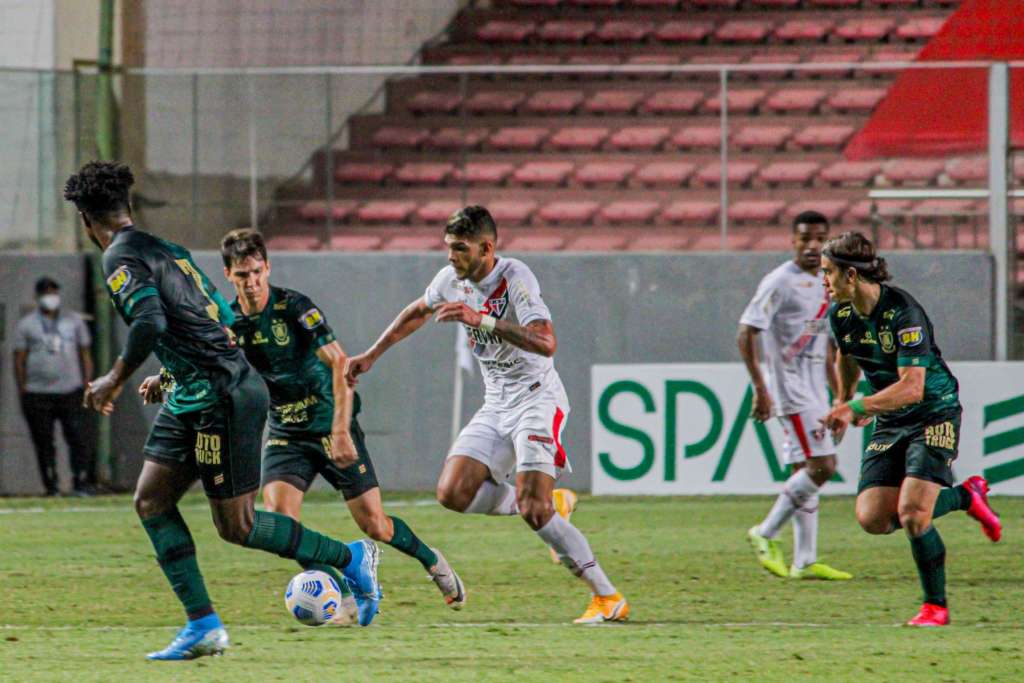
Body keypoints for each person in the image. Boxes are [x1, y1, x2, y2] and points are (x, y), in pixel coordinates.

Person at [63, 161, 380, 660]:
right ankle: (203, 625)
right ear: (128, 207)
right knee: (150, 500)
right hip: (194, 391)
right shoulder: (167, 250)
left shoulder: (119, 259)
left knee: (239, 526)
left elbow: (147, 321)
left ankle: (350, 557)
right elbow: (224, 318)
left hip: (221, 395)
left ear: (84, 220)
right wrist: (175, 373)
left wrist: (112, 378)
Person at [346, 205, 628, 624]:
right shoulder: (450, 281)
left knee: (535, 512)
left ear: (486, 248)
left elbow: (546, 343)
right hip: (496, 404)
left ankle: (607, 598)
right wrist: (373, 354)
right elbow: (417, 311)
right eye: (448, 248)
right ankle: (552, 505)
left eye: (459, 249)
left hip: (537, 399)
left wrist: (485, 320)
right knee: (453, 493)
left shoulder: (516, 279)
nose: (450, 257)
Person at [220, 229, 463, 613]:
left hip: (330, 423)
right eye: (241, 275)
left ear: (267, 268)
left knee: (375, 525)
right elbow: (207, 361)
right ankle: (345, 594)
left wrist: (340, 429)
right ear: (227, 275)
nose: (250, 282)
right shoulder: (228, 319)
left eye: (255, 272)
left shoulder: (294, 307)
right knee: (283, 526)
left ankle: (432, 561)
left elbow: (339, 362)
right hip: (285, 430)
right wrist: (162, 379)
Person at [819, 231, 1002, 627]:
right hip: (892, 417)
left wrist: (858, 406)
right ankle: (966, 496)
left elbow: (913, 386)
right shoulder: (841, 313)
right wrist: (845, 397)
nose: (824, 281)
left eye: (828, 272)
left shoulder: (904, 312)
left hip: (933, 411)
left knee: (914, 515)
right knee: (873, 518)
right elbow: (847, 354)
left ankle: (935, 607)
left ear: (851, 275)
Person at [739, 212, 852, 581]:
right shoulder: (779, 282)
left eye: (820, 238)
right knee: (824, 467)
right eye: (805, 238)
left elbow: (826, 345)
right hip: (789, 390)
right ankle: (765, 532)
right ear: (793, 241)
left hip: (814, 388)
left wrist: (840, 398)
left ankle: (804, 560)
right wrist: (761, 388)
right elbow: (746, 333)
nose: (813, 246)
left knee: (805, 472)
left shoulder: (827, 282)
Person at [13, 276, 96, 496]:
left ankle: (80, 482)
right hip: (38, 392)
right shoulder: (27, 325)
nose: (51, 297)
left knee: (77, 438)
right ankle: (52, 486)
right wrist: (23, 388)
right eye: (47, 293)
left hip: (70, 390)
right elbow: (19, 359)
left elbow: (85, 354)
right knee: (44, 442)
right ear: (38, 296)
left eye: (54, 292)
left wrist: (87, 383)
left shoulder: (73, 321)